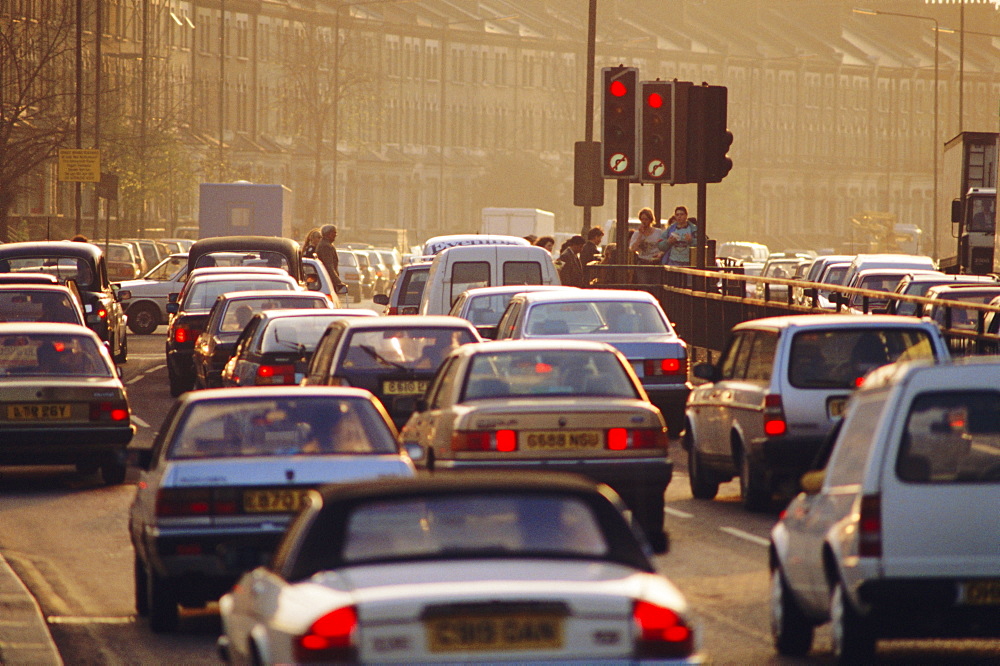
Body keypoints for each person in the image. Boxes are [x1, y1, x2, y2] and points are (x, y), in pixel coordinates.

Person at [315, 224, 346, 293]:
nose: (336, 235)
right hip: (327, 280)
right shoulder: (326, 246)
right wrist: (338, 282)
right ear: (328, 234)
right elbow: (329, 266)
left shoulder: (326, 244)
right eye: (334, 233)